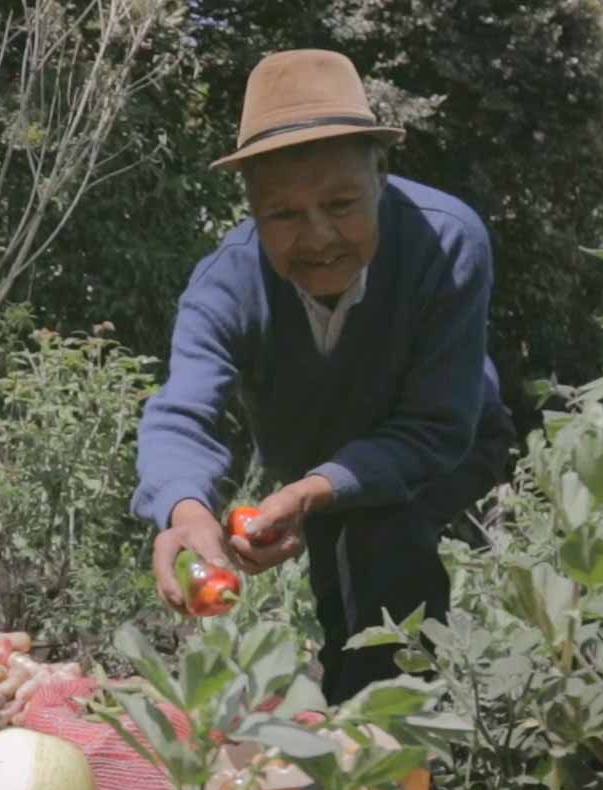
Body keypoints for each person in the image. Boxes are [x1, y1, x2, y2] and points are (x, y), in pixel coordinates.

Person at [132, 49, 516, 705]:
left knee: (383, 545)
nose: (318, 237)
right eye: (283, 214)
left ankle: (394, 757)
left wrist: (314, 493)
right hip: (318, 466)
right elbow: (181, 415)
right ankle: (355, 742)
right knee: (343, 596)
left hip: (447, 442)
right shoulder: (224, 286)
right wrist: (186, 511)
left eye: (341, 203)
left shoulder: (449, 244)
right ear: (252, 208)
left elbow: (434, 427)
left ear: (382, 176)